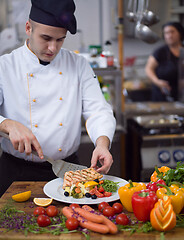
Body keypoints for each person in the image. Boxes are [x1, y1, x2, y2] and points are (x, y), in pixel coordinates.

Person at [0, 0, 116, 196]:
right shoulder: (5, 66)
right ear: (28, 28)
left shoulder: (78, 64)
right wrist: (7, 125)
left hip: (68, 171)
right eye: (46, 38)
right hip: (16, 172)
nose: (52, 48)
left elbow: (98, 110)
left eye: (60, 40)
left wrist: (102, 144)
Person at [145, 21, 184, 101]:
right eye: (166, 33)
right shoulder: (160, 52)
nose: (169, 36)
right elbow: (149, 69)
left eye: (172, 32)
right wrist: (157, 82)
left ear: (180, 32)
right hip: (162, 95)